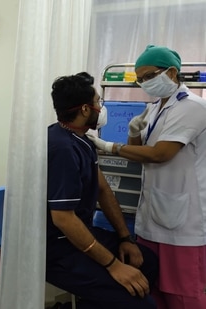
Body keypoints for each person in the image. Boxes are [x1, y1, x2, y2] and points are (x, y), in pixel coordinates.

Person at [88, 45, 206, 308]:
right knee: (153, 287)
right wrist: (133, 132)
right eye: (140, 79)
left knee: (184, 293)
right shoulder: (155, 108)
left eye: (149, 76)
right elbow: (139, 150)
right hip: (154, 217)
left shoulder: (193, 107)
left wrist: (109, 146)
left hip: (185, 221)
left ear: (172, 72)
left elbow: (161, 154)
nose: (145, 83)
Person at [46, 72, 158, 309]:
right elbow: (63, 218)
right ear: (85, 109)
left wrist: (124, 238)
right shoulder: (61, 148)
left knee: (147, 262)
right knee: (139, 303)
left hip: (81, 235)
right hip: (58, 249)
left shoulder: (83, 140)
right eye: (98, 102)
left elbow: (104, 190)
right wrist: (113, 265)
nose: (101, 108)